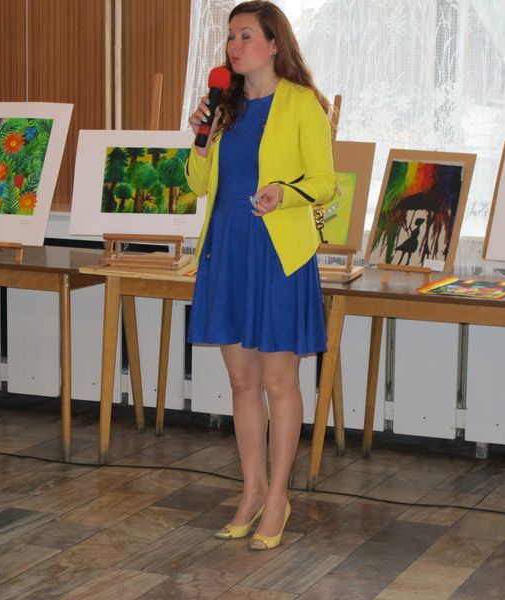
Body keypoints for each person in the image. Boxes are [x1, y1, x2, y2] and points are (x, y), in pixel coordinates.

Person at [185, 0, 335, 550]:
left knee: (278, 382)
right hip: (227, 249)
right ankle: (251, 491)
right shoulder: (223, 107)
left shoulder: (301, 103)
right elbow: (197, 184)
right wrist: (201, 138)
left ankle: (278, 499)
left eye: (246, 35)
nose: (234, 45)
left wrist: (283, 193)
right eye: (231, 36)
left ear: (274, 44)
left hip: (276, 253)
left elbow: (325, 183)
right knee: (242, 382)